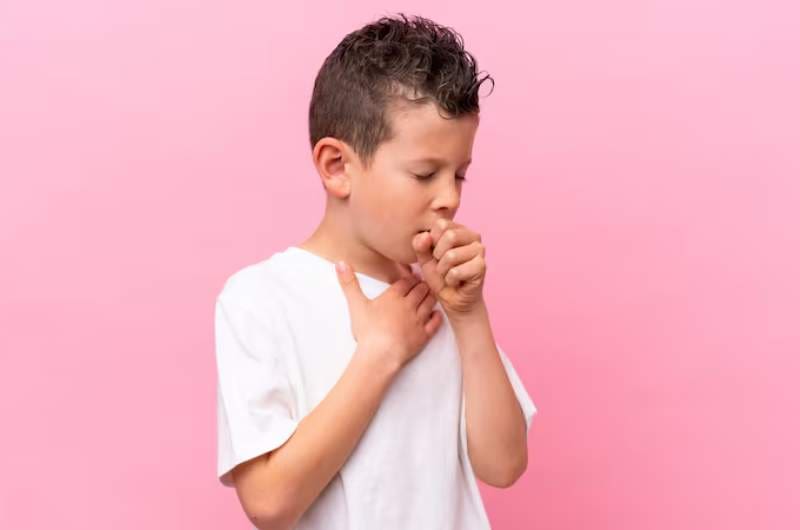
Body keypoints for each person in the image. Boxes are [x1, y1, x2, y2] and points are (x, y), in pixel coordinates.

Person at [214, 12, 538, 530]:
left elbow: (503, 465)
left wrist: (470, 315)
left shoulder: (441, 297)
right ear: (337, 167)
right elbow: (270, 504)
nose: (449, 198)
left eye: (460, 175)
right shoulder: (260, 299)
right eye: (425, 174)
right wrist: (380, 354)